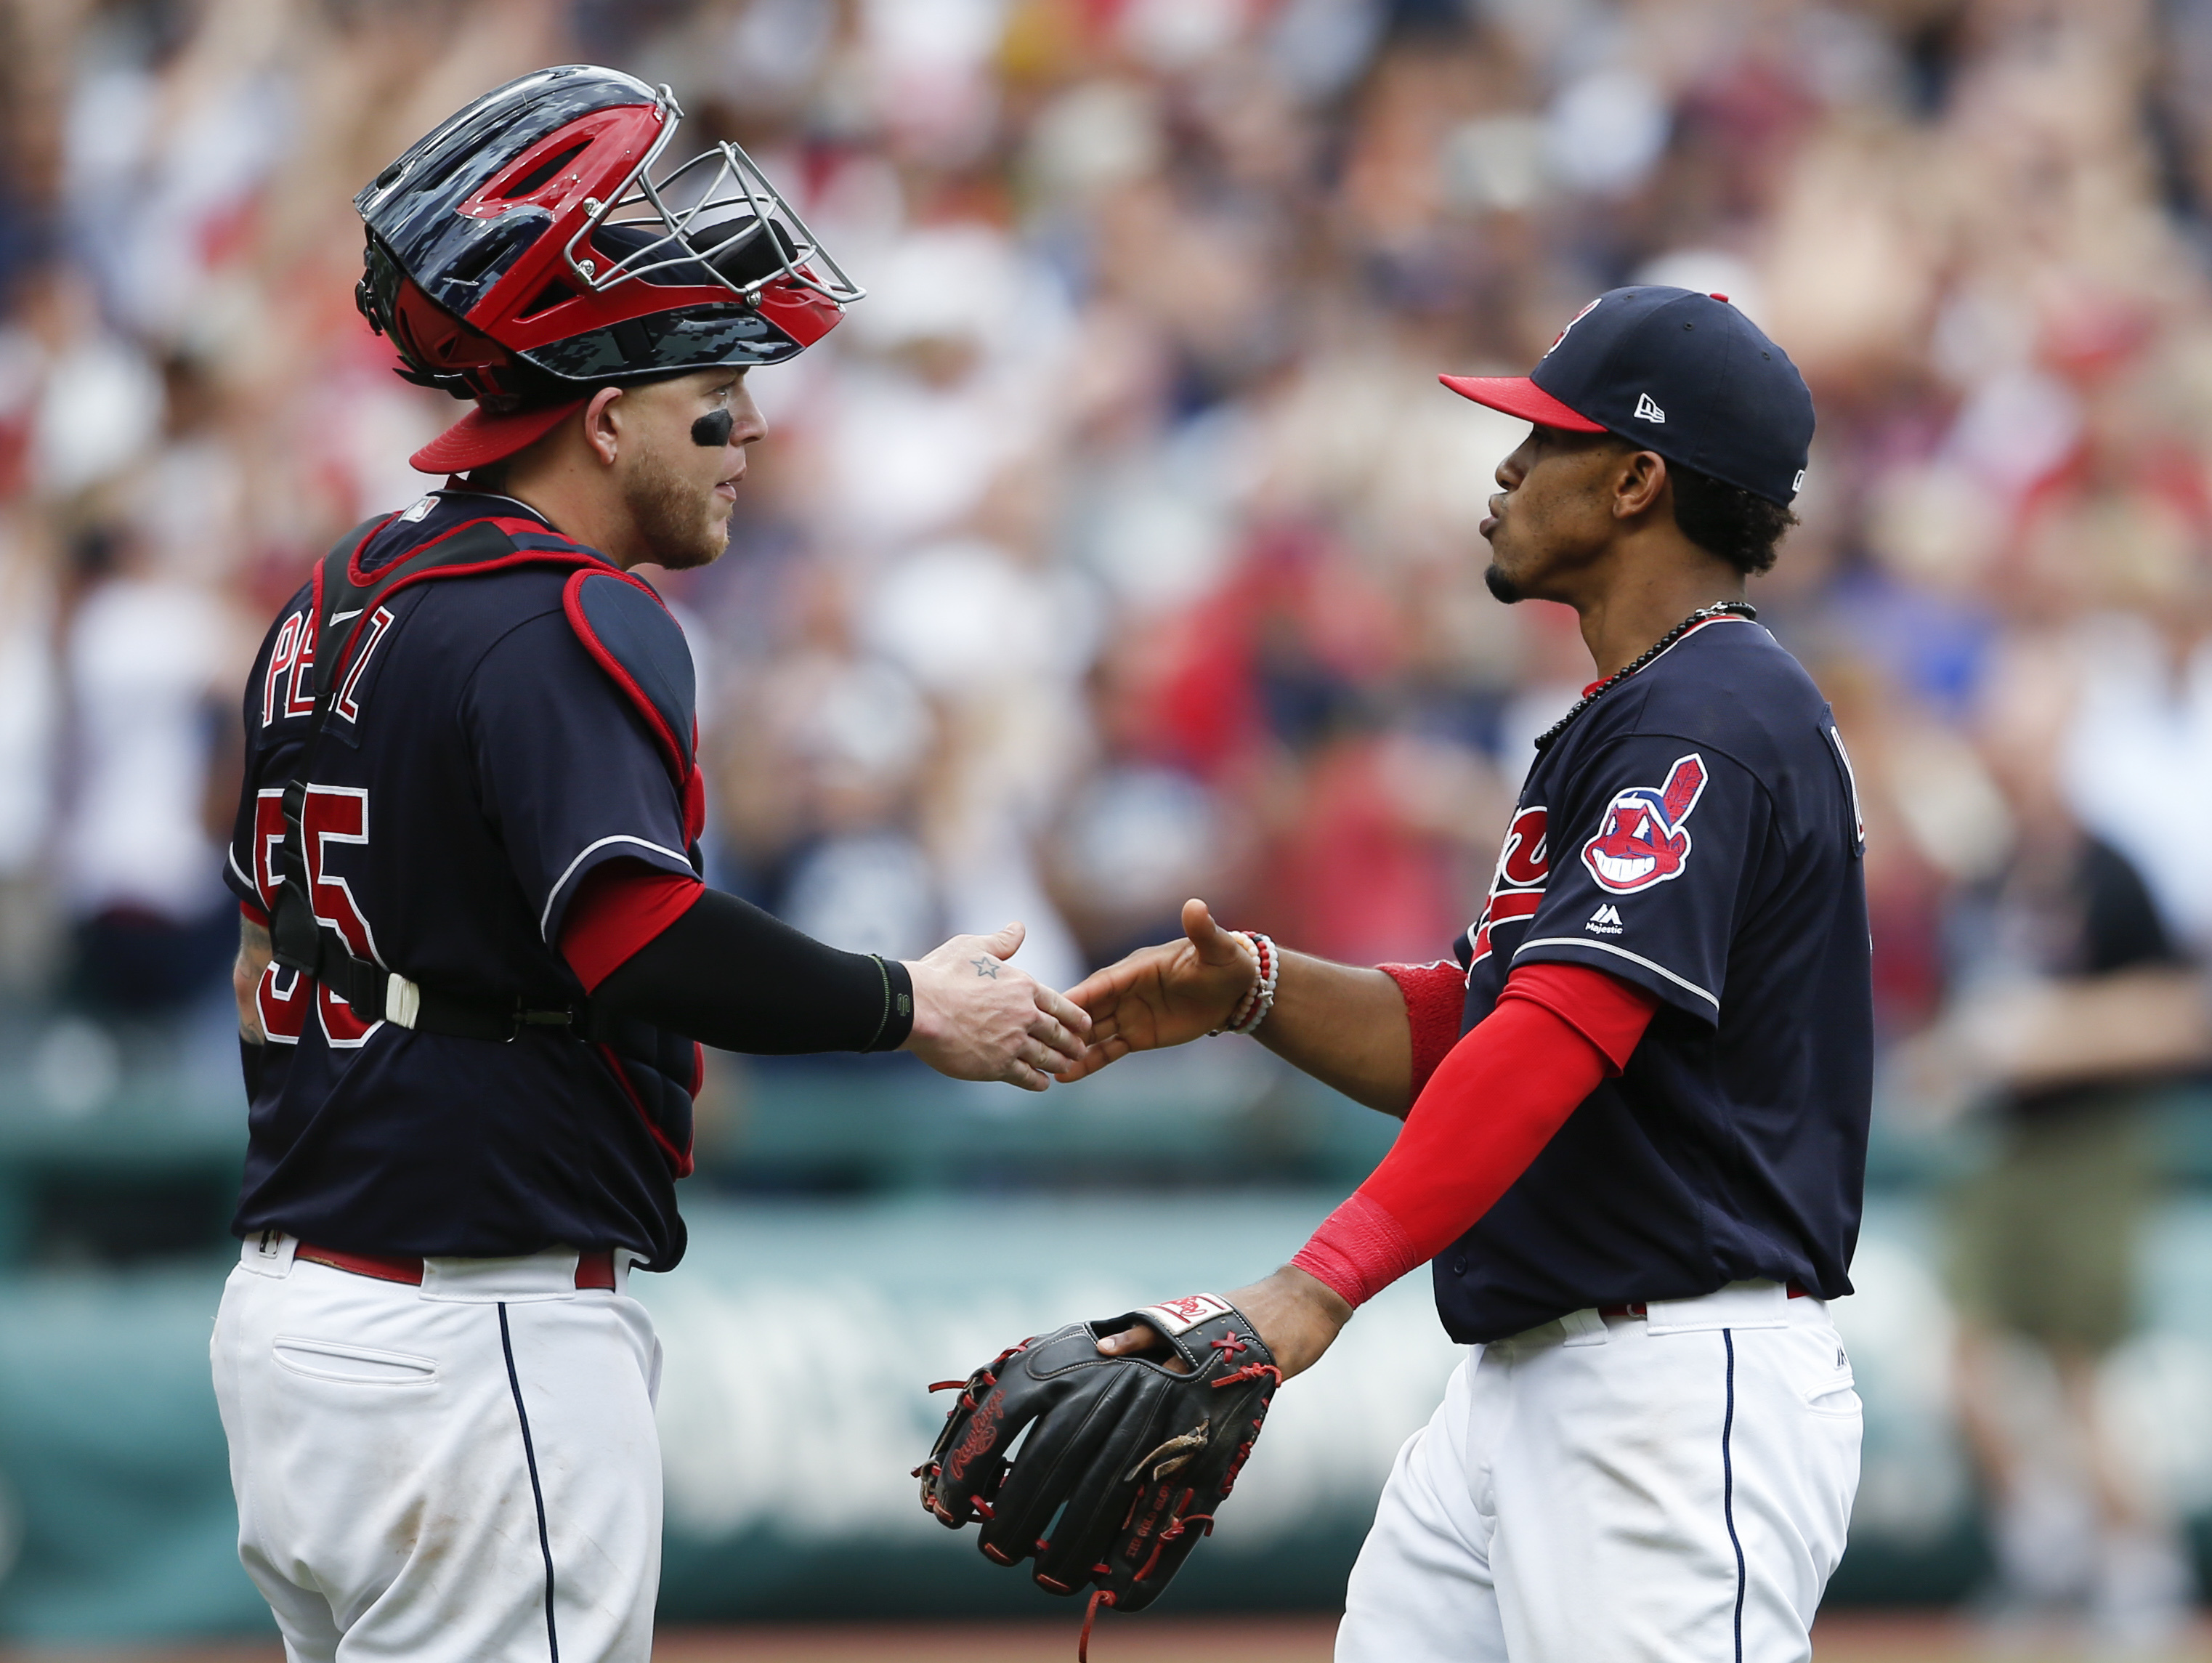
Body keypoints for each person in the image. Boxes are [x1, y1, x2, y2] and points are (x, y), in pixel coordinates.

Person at [211, 68, 1088, 1663]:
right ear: (603, 417)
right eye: (713, 386)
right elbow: (632, 928)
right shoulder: (573, 612)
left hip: (295, 1321)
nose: (747, 424)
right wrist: (911, 1005)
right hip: (474, 1331)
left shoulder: (340, 587)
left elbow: (261, 962)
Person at [1061, 287, 1871, 1661]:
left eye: (1543, 439)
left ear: (1633, 481)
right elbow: (1477, 1022)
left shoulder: (1713, 711)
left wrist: (1314, 1284)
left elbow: (1559, 1030)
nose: (1503, 468)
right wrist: (1256, 986)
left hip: (1671, 1385)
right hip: (1529, 1378)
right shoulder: (1635, 711)